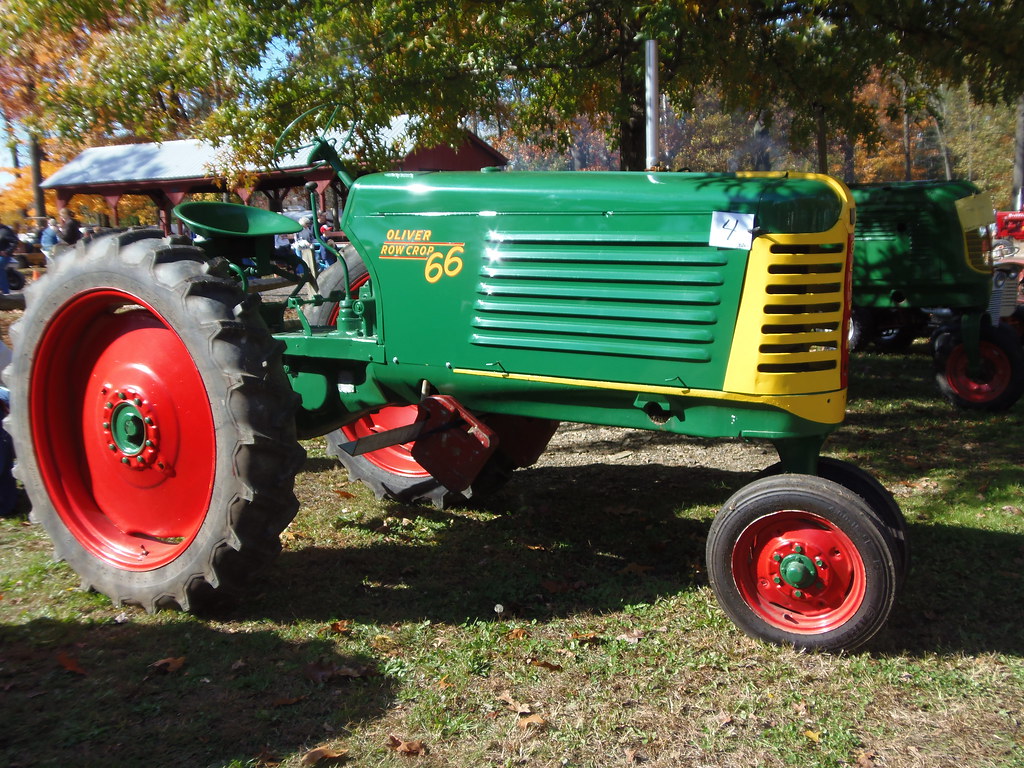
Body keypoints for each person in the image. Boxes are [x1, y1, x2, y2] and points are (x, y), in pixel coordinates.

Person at [0, 220, 19, 295]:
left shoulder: (5, 231)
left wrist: (7, 251)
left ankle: (5, 291)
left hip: (3, 256)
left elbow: (15, 242)